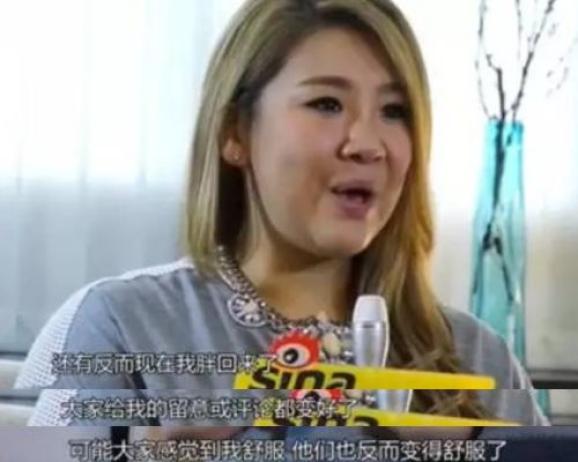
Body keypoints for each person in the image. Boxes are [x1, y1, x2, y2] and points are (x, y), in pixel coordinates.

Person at [16, 0, 547, 437]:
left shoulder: (476, 357)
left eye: (394, 111)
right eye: (326, 104)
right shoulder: (124, 325)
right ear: (235, 133)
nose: (368, 144)